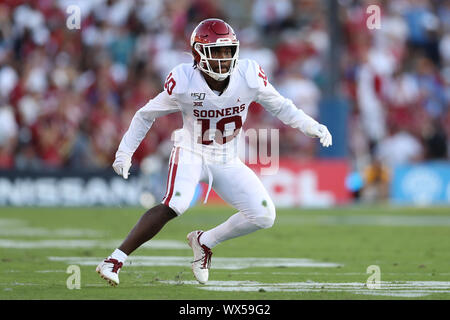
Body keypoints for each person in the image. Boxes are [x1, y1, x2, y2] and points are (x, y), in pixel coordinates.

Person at [96, 18, 332, 286]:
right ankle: (115, 259)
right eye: (216, 51)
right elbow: (145, 114)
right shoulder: (185, 81)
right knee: (176, 204)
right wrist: (125, 152)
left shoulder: (248, 76)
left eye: (227, 51)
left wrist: (311, 125)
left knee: (264, 215)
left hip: (226, 158)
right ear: (198, 53)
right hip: (191, 151)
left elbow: (281, 106)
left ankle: (204, 241)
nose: (223, 58)